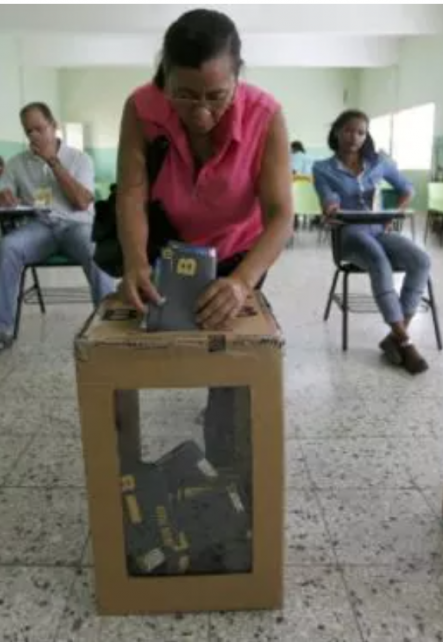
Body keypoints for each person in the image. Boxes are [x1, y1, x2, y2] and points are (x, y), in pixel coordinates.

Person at [115, 8, 293, 467]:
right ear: (164, 78)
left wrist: (242, 282)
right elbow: (132, 192)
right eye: (185, 95)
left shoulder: (265, 116)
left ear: (238, 78)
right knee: (146, 342)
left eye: (217, 96)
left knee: (229, 369)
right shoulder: (141, 108)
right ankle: (134, 472)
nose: (201, 112)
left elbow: (280, 216)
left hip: (238, 255)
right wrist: (135, 261)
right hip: (166, 250)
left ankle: (225, 468)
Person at [0, 102, 114, 363]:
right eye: (29, 132)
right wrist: (1, 198)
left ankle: (111, 327)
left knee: (96, 249)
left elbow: (82, 202)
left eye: (39, 129)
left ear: (54, 126)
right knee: (8, 247)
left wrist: (53, 161)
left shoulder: (80, 159)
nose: (34, 136)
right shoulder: (17, 164)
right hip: (39, 228)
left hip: (77, 224)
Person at [312, 109, 432, 374]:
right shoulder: (323, 168)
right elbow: (327, 196)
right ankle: (407, 343)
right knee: (379, 261)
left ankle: (395, 336)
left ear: (366, 135)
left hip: (378, 230)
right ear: (336, 132)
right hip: (349, 236)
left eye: (360, 132)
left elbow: (407, 188)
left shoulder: (379, 162)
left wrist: (393, 215)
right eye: (348, 130)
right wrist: (331, 207)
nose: (354, 137)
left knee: (421, 260)